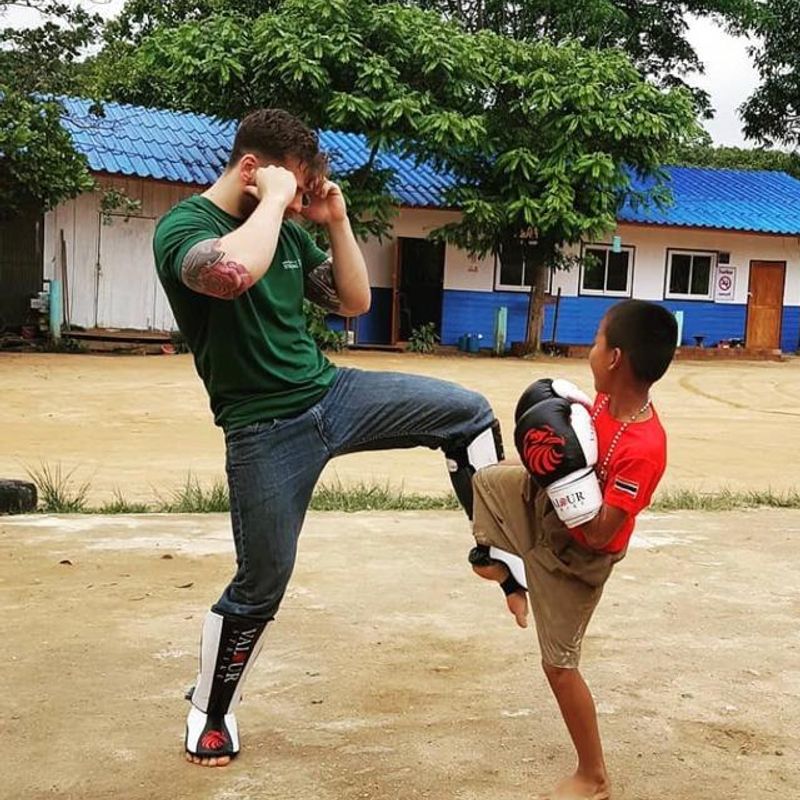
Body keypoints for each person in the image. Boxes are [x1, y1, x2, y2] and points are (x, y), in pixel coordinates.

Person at [152, 108, 503, 767]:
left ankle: (498, 549)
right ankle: (211, 708)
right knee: (262, 583)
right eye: (297, 187)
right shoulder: (185, 227)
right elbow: (230, 276)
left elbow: (352, 303)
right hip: (263, 429)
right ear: (253, 171)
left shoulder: (286, 232)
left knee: (469, 412)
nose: (300, 203)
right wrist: (276, 201)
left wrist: (335, 221)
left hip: (332, 395)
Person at [468, 300, 677, 800]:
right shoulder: (601, 402)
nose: (590, 350)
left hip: (580, 558)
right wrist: (546, 452)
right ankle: (505, 569)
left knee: (559, 666)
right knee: (487, 482)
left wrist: (567, 481)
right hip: (549, 511)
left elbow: (602, 532)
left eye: (598, 341)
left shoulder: (644, 448)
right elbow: (560, 449)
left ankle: (594, 776)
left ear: (615, 358)